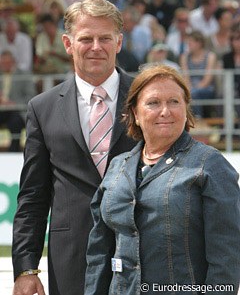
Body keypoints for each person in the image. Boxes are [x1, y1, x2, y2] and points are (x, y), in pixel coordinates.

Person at [12, 0, 136, 295]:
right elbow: (33, 195)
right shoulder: (42, 108)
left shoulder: (146, 97)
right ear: (68, 43)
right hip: (69, 257)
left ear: (118, 43)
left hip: (141, 250)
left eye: (105, 38)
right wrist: (26, 268)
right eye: (86, 38)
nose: (96, 46)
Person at [84, 65, 240, 295]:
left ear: (186, 109)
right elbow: (99, 252)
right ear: (136, 114)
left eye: (174, 102)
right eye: (154, 103)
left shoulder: (210, 164)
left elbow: (226, 257)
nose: (165, 111)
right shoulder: (118, 166)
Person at [0, 50, 36, 151]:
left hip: (17, 110)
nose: (5, 65)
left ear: (13, 62)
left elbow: (31, 95)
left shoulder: (24, 74)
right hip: (1, 109)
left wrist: (14, 103)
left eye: (7, 62)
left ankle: (13, 151)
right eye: (2, 63)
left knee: (15, 122)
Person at [179, 30, 217, 118]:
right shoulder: (184, 57)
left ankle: (198, 119)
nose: (188, 45)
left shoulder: (210, 56)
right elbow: (186, 77)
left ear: (199, 43)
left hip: (207, 89)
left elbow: (207, 79)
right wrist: (190, 89)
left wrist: (192, 91)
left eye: (191, 42)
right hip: (190, 89)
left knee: (193, 94)